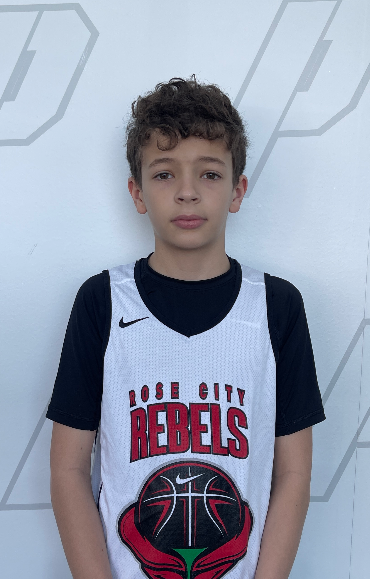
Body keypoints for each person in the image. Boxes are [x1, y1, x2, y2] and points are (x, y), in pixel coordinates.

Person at [47, 76, 325, 579]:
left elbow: (293, 472)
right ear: (137, 192)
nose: (188, 192)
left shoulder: (277, 307)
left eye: (210, 174)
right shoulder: (101, 302)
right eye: (164, 174)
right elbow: (68, 469)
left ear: (238, 190)